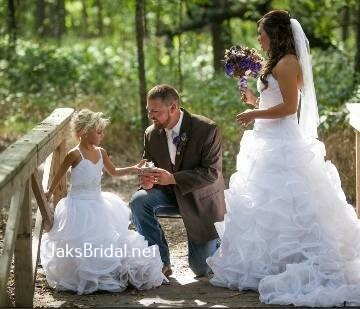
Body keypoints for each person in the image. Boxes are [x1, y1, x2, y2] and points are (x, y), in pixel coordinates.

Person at [207, 10, 360, 307]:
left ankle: (294, 264)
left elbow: (290, 107)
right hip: (265, 141)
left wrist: (255, 113)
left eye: (261, 32)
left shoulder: (289, 62)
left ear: (275, 33)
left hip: (283, 144)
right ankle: (263, 264)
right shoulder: (274, 62)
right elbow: (273, 100)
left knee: (289, 204)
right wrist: (253, 100)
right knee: (265, 206)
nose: (258, 38)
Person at [41, 109, 165, 295]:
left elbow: (114, 172)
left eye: (102, 131)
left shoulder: (101, 152)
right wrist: (50, 191)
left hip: (98, 203)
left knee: (106, 239)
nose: (102, 135)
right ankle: (83, 275)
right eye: (98, 132)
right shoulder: (74, 155)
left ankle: (107, 271)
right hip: (78, 205)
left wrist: (134, 168)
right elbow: (59, 175)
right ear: (84, 132)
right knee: (81, 243)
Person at [129, 84, 226, 278]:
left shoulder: (207, 129)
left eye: (155, 111)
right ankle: (160, 261)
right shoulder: (151, 133)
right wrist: (147, 178)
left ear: (173, 108)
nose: (151, 116)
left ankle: (220, 239)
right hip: (168, 195)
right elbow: (149, 161)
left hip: (200, 201)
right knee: (138, 201)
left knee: (201, 269)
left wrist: (173, 178)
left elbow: (211, 172)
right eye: (149, 111)